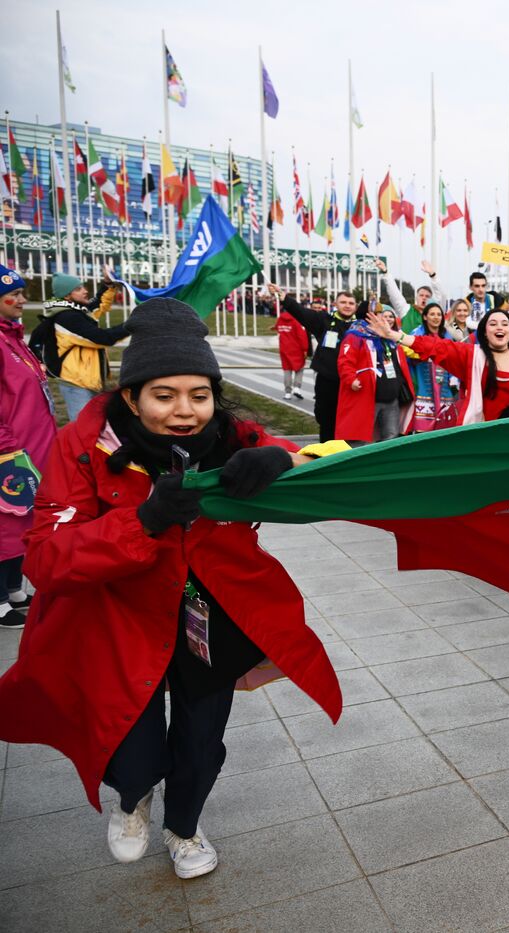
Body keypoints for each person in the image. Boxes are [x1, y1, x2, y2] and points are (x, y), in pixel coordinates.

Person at [0, 298, 342, 879]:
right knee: (130, 746)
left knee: (202, 739)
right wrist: (144, 521)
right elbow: (46, 556)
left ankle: (184, 826)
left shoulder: (232, 434)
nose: (185, 412)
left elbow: (318, 457)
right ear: (131, 397)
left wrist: (280, 461)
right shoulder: (83, 447)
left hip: (207, 617)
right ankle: (133, 797)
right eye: (164, 395)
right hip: (118, 623)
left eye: (200, 395)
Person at [0, 265, 57, 626]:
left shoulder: (13, 338)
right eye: (14, 295)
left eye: (22, 293)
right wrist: (7, 450)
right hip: (10, 451)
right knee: (4, 525)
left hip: (32, 448)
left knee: (22, 522)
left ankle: (14, 589)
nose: (22, 300)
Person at [366, 308, 509, 424]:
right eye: (493, 324)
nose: (499, 327)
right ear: (484, 332)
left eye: (504, 324)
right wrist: (394, 335)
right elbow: (434, 346)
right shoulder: (471, 354)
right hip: (478, 434)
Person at [29, 272, 127, 419]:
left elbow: (98, 304)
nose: (85, 290)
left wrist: (107, 284)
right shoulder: (67, 317)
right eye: (78, 289)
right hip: (76, 384)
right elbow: (103, 338)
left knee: (95, 428)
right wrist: (132, 325)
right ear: (67, 295)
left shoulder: (77, 310)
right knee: (83, 430)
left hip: (89, 382)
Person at [272, 284, 357, 443]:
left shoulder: (361, 326)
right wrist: (284, 298)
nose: (347, 306)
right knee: (326, 419)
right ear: (335, 305)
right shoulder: (324, 320)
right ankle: (326, 455)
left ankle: (346, 455)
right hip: (327, 381)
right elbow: (301, 313)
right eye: (343, 302)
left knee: (349, 422)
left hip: (352, 383)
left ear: (355, 306)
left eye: (351, 303)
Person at [336, 303, 411, 442]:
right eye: (378, 313)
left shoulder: (389, 337)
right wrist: (351, 379)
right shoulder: (355, 336)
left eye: (381, 313)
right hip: (368, 398)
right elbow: (345, 362)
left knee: (391, 438)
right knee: (362, 439)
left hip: (392, 399)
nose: (382, 317)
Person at [406, 304, 460, 432]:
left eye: (439, 314)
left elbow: (455, 358)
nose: (436, 317)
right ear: (425, 317)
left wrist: (454, 378)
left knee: (445, 429)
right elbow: (406, 354)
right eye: (432, 314)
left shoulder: (447, 335)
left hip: (445, 388)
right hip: (423, 386)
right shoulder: (416, 334)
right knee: (422, 431)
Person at [378, 259, 446, 335]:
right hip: (407, 346)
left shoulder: (435, 313)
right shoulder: (406, 310)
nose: (424, 298)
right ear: (416, 297)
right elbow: (394, 293)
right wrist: (385, 273)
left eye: (427, 296)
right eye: (421, 295)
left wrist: (433, 276)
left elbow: (442, 296)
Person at [275, 300, 309, 400]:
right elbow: (301, 336)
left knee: (287, 370)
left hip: (284, 349)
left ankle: (287, 392)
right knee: (299, 369)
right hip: (296, 349)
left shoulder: (280, 319)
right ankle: (297, 388)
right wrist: (305, 349)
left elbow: (278, 328)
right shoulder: (296, 321)